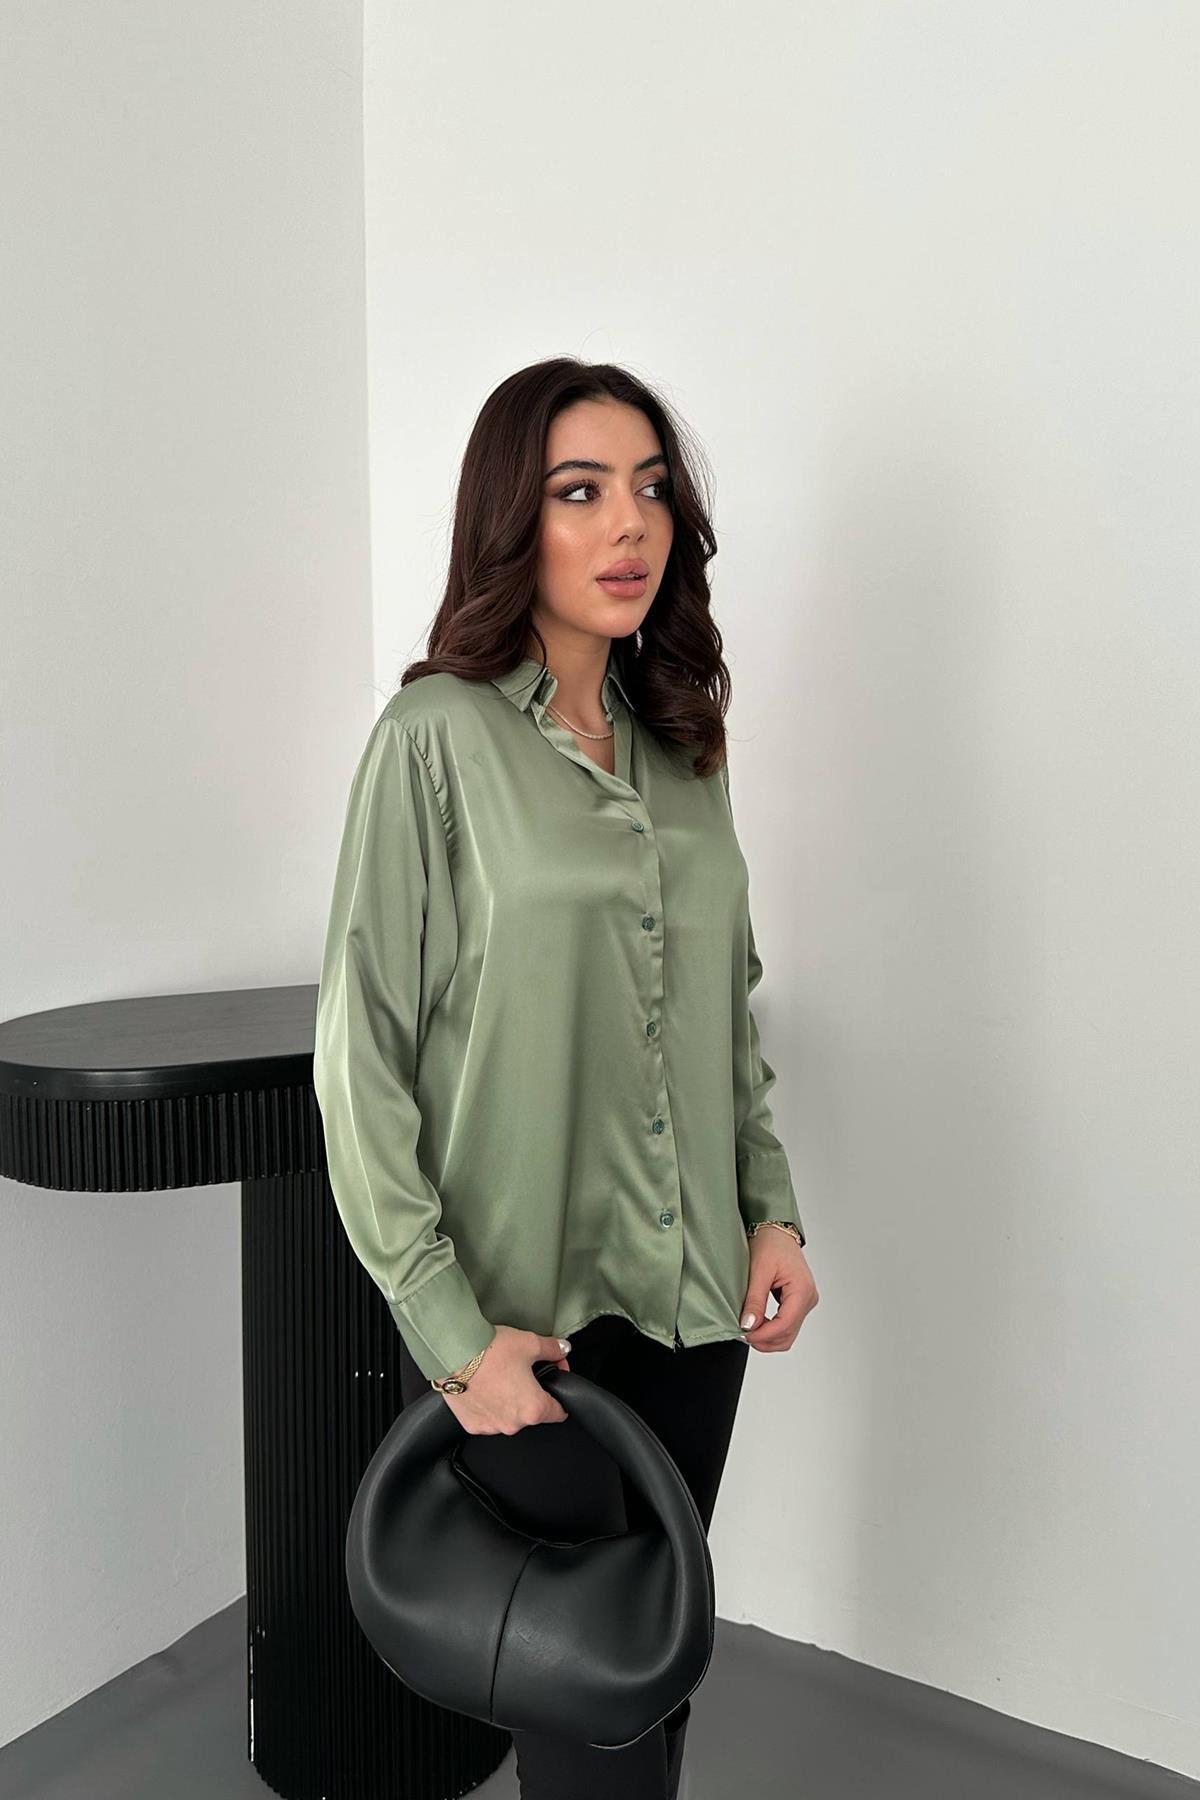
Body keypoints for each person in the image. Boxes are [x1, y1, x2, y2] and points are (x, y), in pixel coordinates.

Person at [313, 357, 819, 1800]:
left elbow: (722, 1015)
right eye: (580, 491)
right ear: (509, 522)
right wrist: (450, 1335)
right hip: (521, 1326)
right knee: (577, 1711)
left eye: (650, 489)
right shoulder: (433, 741)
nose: (628, 524)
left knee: (652, 1673)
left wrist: (772, 1210)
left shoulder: (688, 751)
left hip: (695, 1299)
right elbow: (360, 1054)